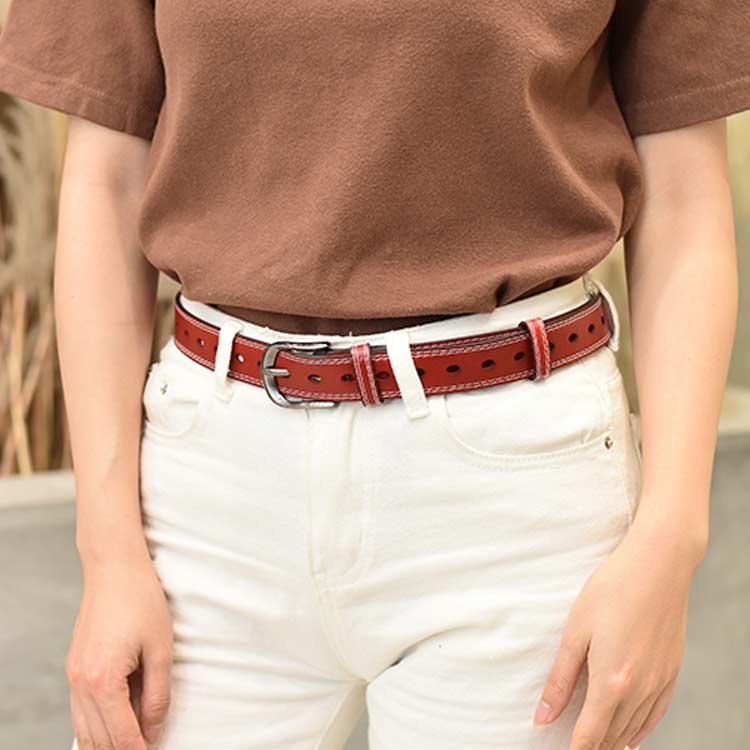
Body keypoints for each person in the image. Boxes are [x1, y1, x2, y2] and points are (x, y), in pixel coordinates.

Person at [0, 2, 746, 749]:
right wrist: (108, 553)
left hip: (515, 499)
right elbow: (105, 183)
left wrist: (671, 539)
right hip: (211, 501)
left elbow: (682, 197)